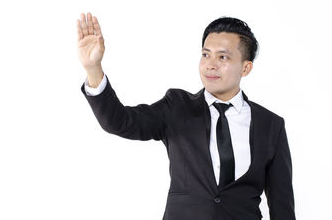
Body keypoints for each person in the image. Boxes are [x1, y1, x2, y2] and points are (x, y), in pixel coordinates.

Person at [76, 12, 296, 220]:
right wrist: (93, 68)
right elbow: (120, 122)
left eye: (223, 57)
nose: (211, 64)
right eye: (205, 54)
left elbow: (282, 206)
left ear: (245, 68)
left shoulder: (271, 125)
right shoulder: (177, 107)